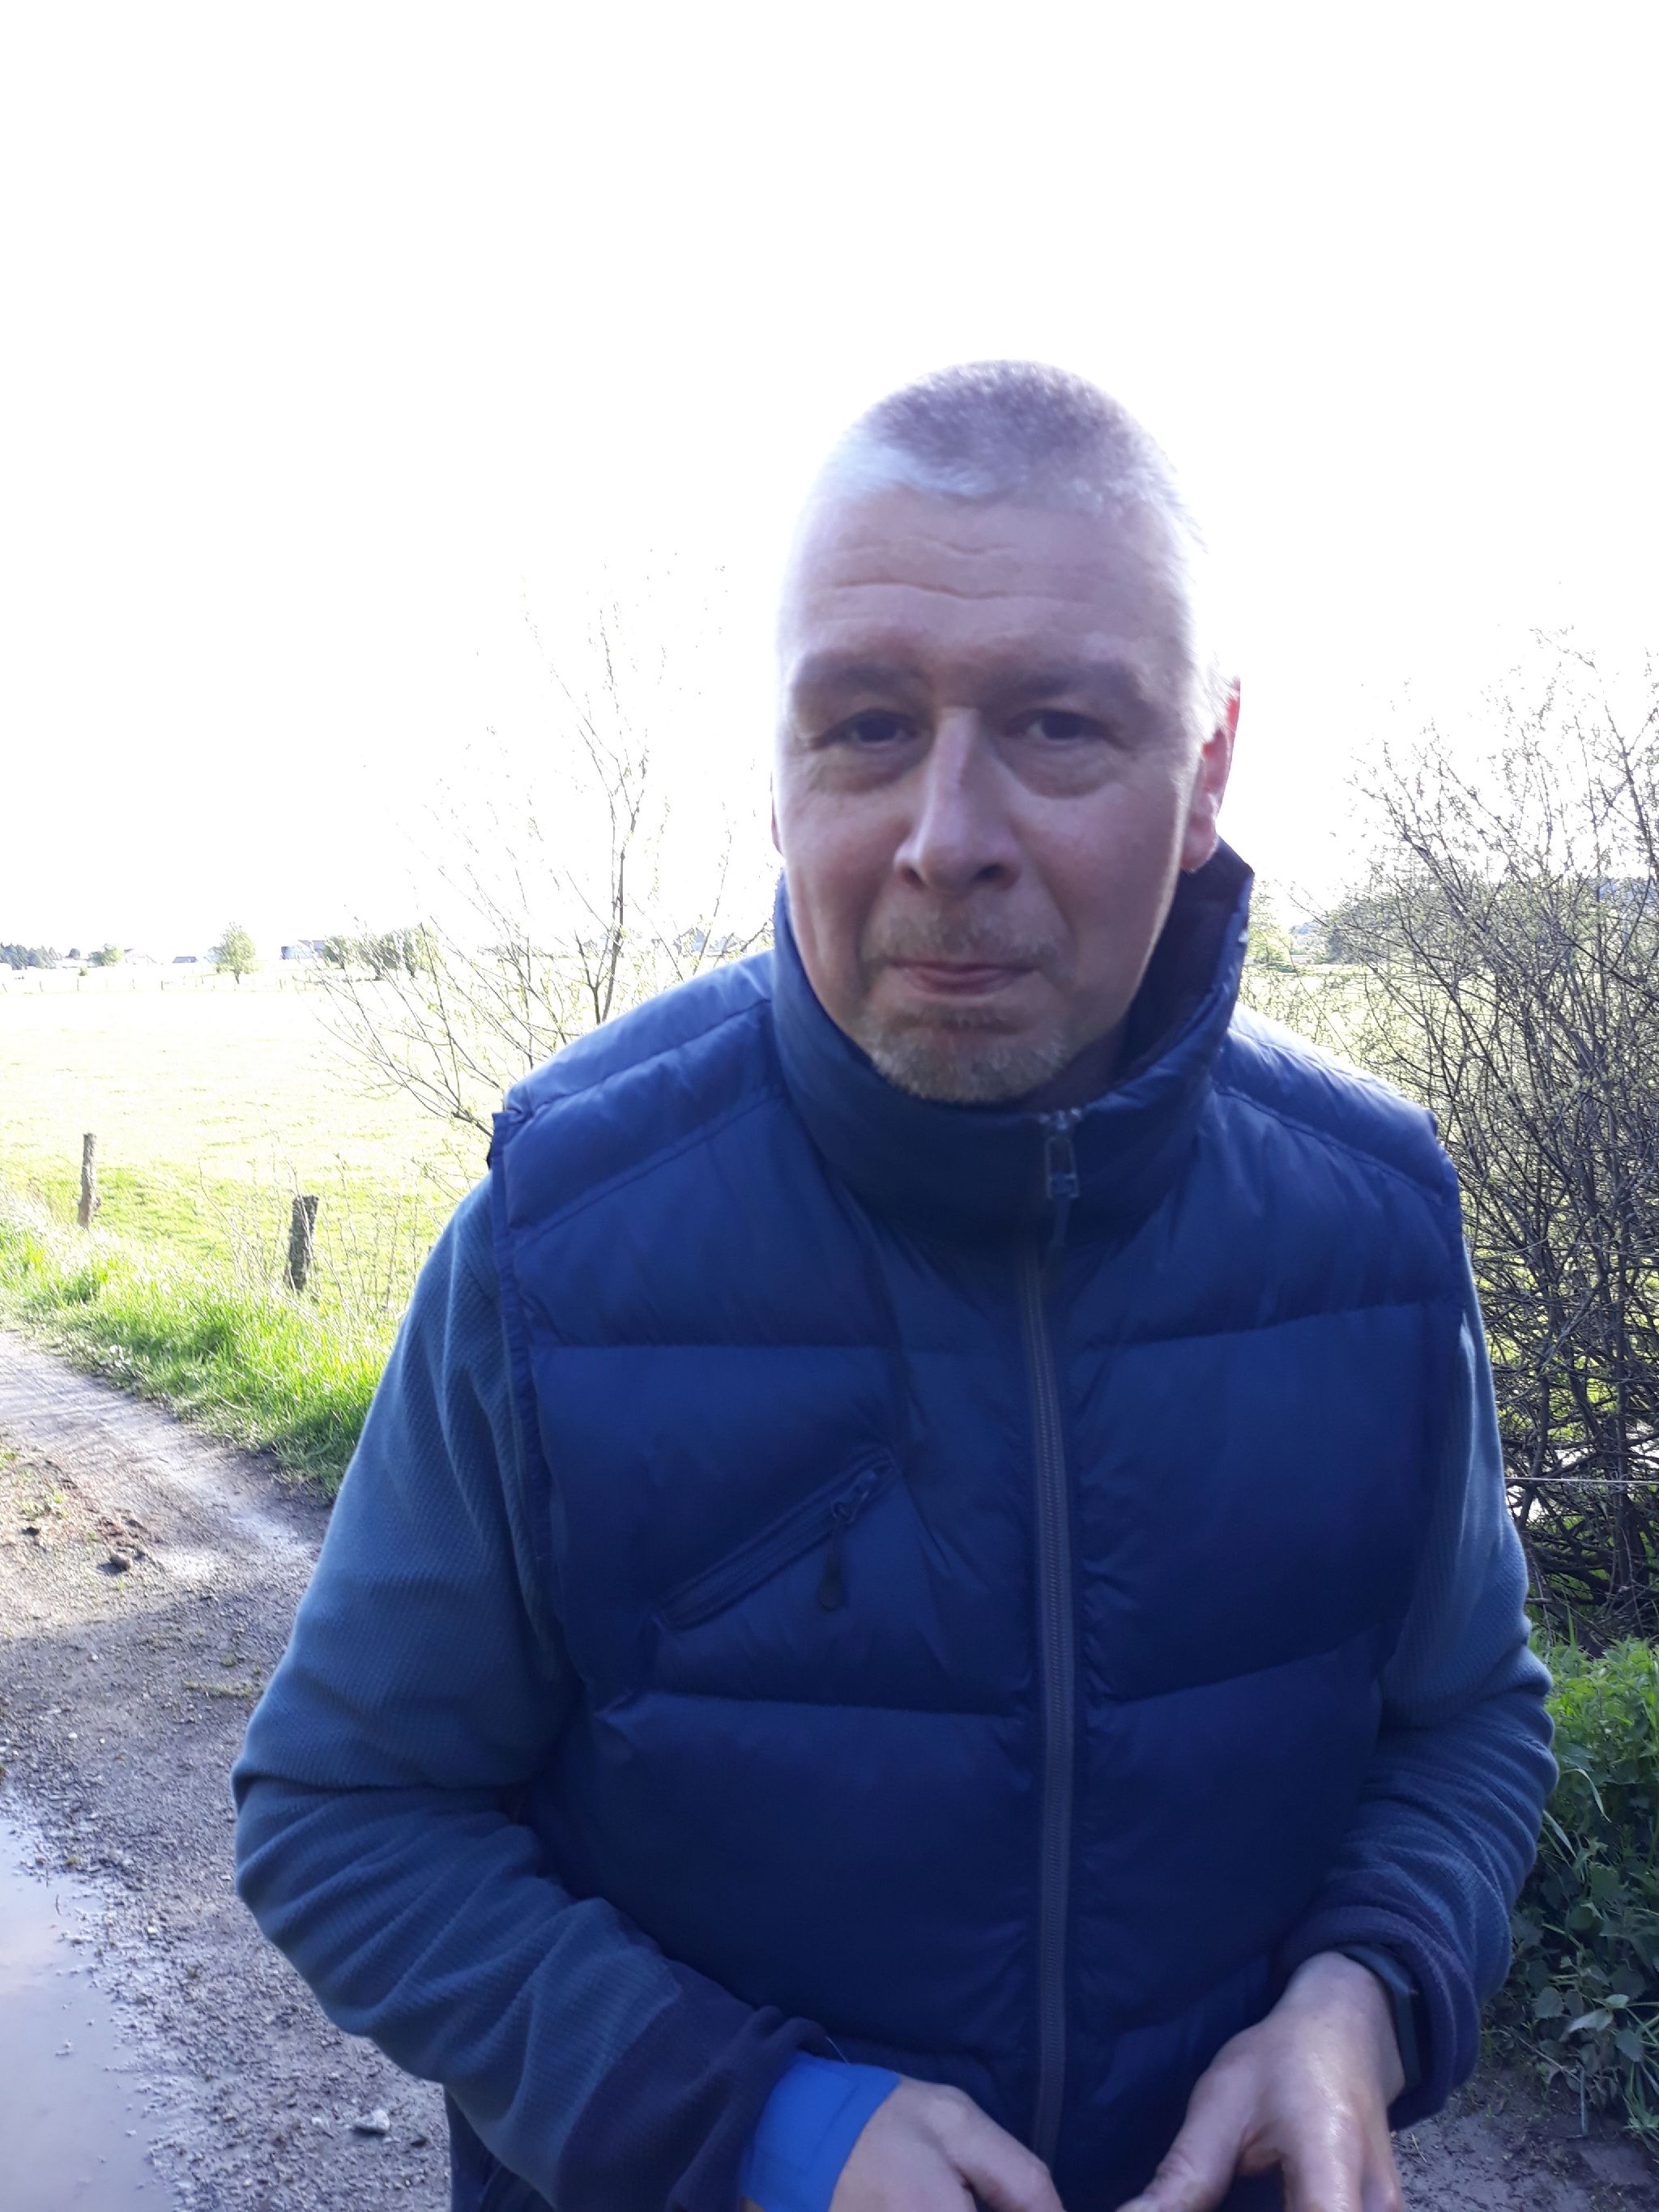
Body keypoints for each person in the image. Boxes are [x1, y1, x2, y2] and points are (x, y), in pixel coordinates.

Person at [233, 362, 1555, 2212]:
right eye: (864, 725)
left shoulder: (1374, 1232)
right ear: (779, 774)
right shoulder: (558, 1242)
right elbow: (346, 1813)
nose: (947, 833)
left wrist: (1366, 1994)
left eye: (1058, 725)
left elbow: (1466, 1719)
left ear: (1206, 775)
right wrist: (757, 2128)